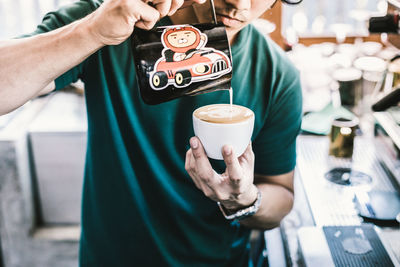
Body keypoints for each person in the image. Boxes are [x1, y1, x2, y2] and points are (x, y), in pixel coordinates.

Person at [0, 0, 303, 265]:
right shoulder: (110, 21)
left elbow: (282, 194)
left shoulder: (277, 75)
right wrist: (92, 32)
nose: (240, 5)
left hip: (217, 260)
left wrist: (245, 199)